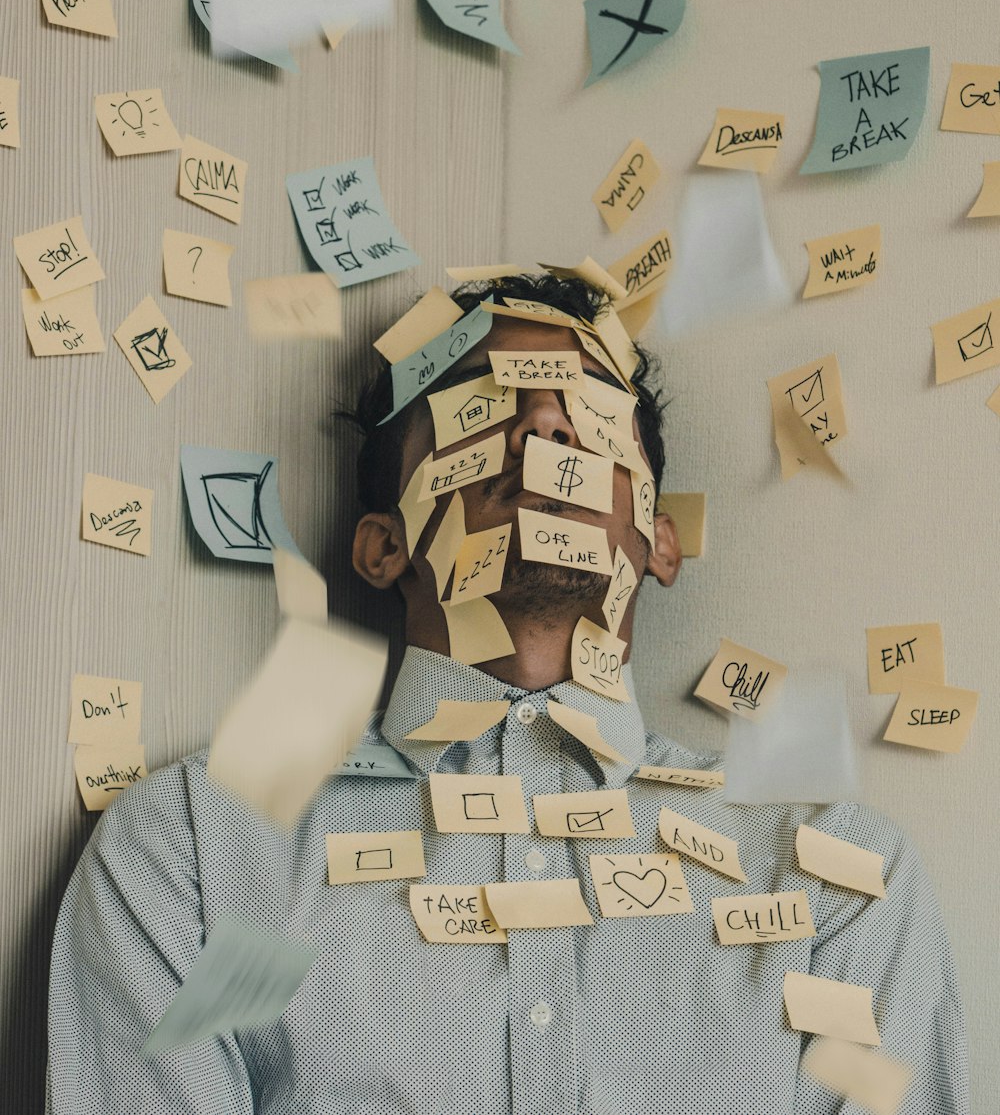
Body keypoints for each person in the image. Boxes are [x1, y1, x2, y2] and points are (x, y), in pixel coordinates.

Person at [48, 274, 969, 1114]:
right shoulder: (194, 853)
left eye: (590, 412)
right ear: (383, 546)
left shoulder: (841, 884)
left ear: (657, 540)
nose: (543, 427)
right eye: (481, 404)